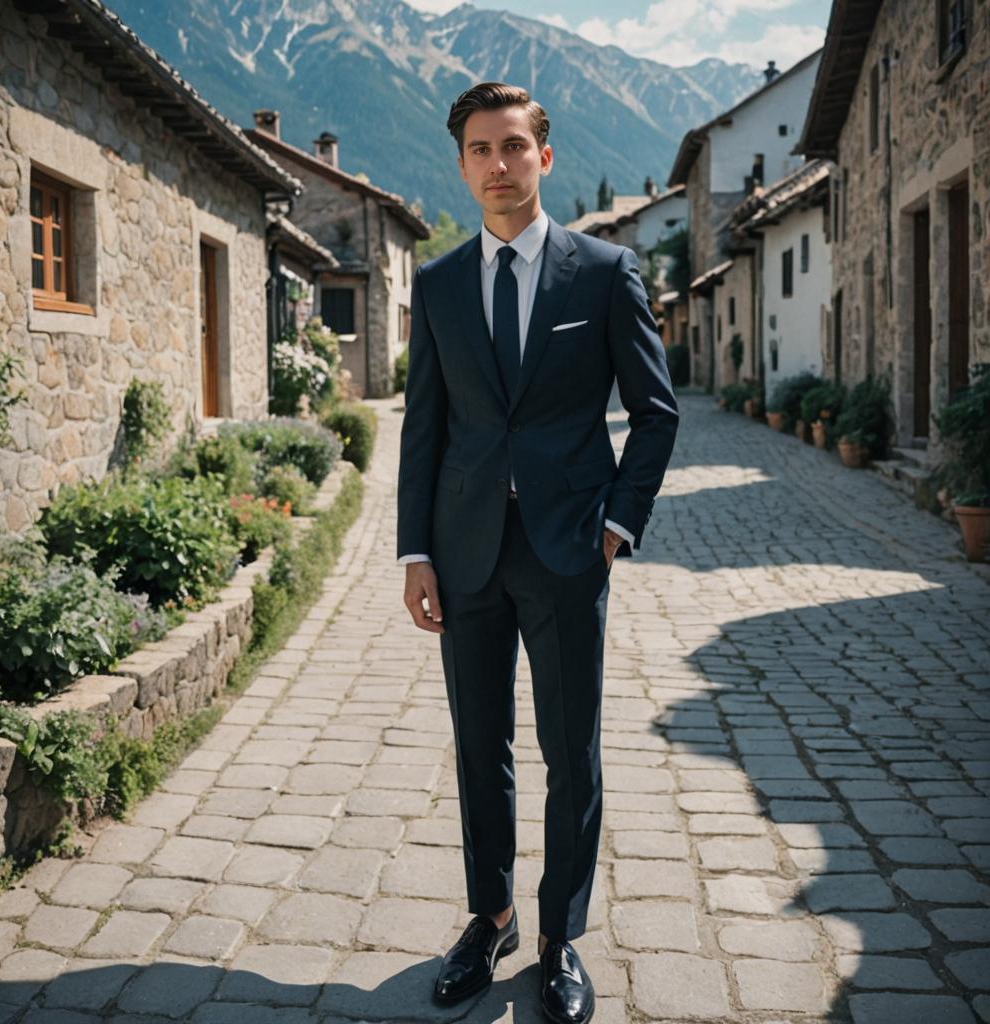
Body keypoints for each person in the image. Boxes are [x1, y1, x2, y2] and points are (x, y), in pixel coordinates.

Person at [397, 81, 678, 1024]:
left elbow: (655, 412)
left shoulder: (603, 272)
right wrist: (412, 553)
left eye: (515, 146)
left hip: (567, 552)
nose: (498, 164)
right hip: (464, 552)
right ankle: (492, 916)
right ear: (463, 162)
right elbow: (424, 430)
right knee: (481, 747)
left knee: (571, 753)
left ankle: (561, 936)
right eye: (480, 149)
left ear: (543, 157)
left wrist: (617, 521)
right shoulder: (436, 287)